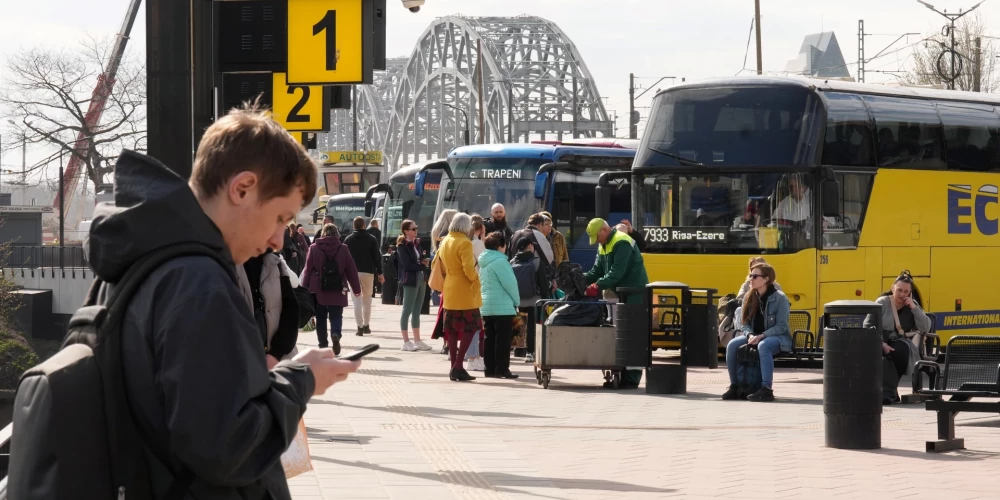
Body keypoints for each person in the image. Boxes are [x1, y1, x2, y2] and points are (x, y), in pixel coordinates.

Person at [81, 104, 360, 499]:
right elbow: (227, 449)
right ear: (242, 188)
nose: (280, 240)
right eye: (281, 217)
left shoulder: (145, 261)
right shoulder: (198, 284)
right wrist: (303, 381)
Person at [584, 218, 649, 388]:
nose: (597, 242)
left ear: (604, 230)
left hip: (634, 293)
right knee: (619, 334)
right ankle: (621, 374)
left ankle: (632, 378)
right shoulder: (604, 244)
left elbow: (617, 271)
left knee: (633, 335)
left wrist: (597, 285)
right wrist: (581, 278)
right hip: (620, 292)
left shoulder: (622, 242)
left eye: (597, 238)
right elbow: (597, 270)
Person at [722, 263, 793, 402]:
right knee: (732, 345)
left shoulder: (780, 298)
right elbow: (744, 323)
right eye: (750, 275)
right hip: (754, 335)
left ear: (766, 279)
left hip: (777, 338)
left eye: (755, 276)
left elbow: (782, 326)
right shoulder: (749, 296)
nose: (751, 279)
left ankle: (766, 389)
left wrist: (761, 336)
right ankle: (735, 387)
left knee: (763, 346)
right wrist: (749, 335)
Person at [864, 271, 931, 405]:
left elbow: (925, 327)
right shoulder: (882, 303)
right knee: (888, 358)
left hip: (902, 345)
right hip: (879, 342)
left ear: (910, 293)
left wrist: (914, 309)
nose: (902, 294)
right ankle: (890, 394)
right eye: (899, 290)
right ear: (892, 288)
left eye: (906, 291)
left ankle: (889, 394)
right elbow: (868, 327)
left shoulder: (912, 305)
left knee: (897, 352)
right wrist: (882, 344)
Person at [236, 250, 303, 368]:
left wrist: (275, 354)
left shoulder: (274, 262)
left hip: (277, 361)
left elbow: (291, 309)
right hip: (242, 364)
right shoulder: (224, 265)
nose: (277, 243)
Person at [302, 223, 362, 355]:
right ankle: (335, 334)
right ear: (337, 234)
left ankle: (323, 345)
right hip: (338, 287)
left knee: (321, 318)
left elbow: (307, 271)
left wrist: (303, 289)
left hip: (318, 289)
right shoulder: (343, 248)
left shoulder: (314, 248)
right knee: (336, 315)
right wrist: (356, 289)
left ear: (323, 233)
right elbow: (351, 270)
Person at [437, 213, 483, 382]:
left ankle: (454, 367)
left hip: (449, 287)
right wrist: (476, 278)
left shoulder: (446, 240)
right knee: (472, 326)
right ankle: (458, 365)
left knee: (452, 329)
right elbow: (468, 269)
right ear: (465, 226)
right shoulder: (464, 242)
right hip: (464, 289)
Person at [478, 231, 520, 378]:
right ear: (500, 246)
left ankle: (489, 369)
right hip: (502, 306)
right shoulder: (501, 261)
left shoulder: (483, 261)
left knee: (489, 339)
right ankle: (502, 369)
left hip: (486, 305)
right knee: (503, 340)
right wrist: (517, 301)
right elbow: (510, 284)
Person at [510, 237, 550, 363]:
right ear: (530, 246)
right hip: (534, 300)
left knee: (520, 322)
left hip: (518, 299)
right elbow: (543, 284)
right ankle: (530, 352)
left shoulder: (512, 262)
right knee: (532, 325)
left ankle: (518, 350)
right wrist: (546, 299)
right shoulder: (537, 262)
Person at [396, 219, 433, 351]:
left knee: (417, 310)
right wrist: (421, 265)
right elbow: (407, 265)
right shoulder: (402, 246)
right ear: (406, 231)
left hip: (421, 278)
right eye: (413, 229)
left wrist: (424, 261)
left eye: (416, 228)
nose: (416, 231)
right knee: (407, 310)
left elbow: (418, 260)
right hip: (410, 279)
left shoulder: (417, 244)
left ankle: (417, 340)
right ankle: (406, 341)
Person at [344, 216, 384, 336]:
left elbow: (344, 258)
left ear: (353, 226)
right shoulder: (372, 239)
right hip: (368, 272)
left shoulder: (348, 239)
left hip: (353, 273)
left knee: (356, 300)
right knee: (367, 299)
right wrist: (380, 272)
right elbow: (377, 257)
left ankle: (359, 327)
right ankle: (367, 325)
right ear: (364, 226)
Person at [430, 209, 459, 353]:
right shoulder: (449, 236)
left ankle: (446, 342)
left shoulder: (437, 232)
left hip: (442, 276)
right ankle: (449, 342)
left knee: (444, 310)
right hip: (451, 275)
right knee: (450, 311)